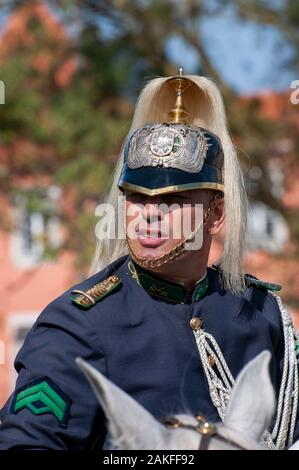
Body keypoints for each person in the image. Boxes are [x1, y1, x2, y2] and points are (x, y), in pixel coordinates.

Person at [0, 70, 298, 450]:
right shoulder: (78, 323)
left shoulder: (261, 312)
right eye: (138, 198)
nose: (149, 215)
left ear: (216, 213)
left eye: (171, 201)